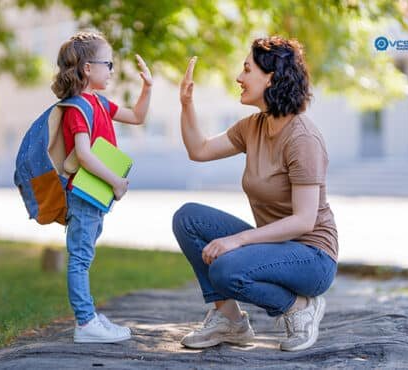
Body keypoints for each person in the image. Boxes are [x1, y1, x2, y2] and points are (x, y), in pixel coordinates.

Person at [172, 36, 338, 352]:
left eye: (247, 69)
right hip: (274, 246)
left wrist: (237, 240)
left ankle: (298, 308)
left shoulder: (303, 138)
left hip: (312, 258)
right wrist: (186, 104)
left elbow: (304, 221)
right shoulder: (254, 126)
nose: (239, 77)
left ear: (271, 77)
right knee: (188, 218)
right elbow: (199, 149)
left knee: (225, 268)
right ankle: (229, 320)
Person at [51, 31, 152, 343]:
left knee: (86, 253)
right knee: (80, 258)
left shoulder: (99, 103)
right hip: (83, 193)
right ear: (86, 69)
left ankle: (89, 315)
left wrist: (147, 88)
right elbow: (83, 154)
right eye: (107, 63)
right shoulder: (77, 108)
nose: (111, 70)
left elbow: (136, 116)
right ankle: (85, 323)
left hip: (93, 193)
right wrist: (116, 181)